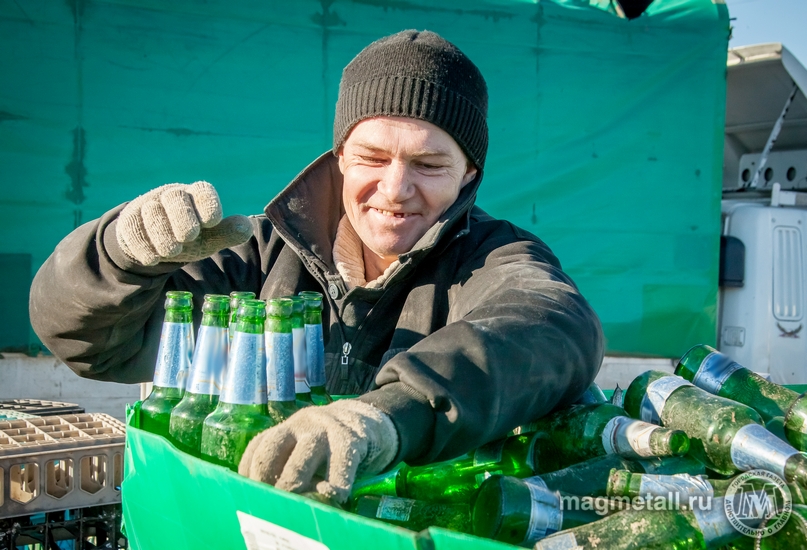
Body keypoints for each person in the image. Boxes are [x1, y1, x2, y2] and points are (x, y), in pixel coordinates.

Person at [30, 30, 603, 503]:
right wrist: (117, 255)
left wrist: (386, 417)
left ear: (470, 174)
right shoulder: (257, 253)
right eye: (372, 158)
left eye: (429, 164)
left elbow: (551, 327)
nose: (396, 189)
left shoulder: (495, 257)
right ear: (339, 158)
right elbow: (84, 340)